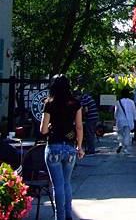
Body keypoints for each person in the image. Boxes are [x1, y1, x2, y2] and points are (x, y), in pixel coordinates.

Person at [40, 74, 85, 220]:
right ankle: (68, 215)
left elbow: (43, 130)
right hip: (70, 148)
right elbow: (79, 127)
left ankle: (59, 217)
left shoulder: (49, 103)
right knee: (66, 183)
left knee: (57, 185)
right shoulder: (75, 103)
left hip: (53, 146)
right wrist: (80, 146)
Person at [114, 88, 136, 155]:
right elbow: (134, 112)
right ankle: (125, 149)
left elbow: (115, 112)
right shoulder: (131, 102)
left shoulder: (118, 102)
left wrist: (115, 118)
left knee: (120, 134)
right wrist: (134, 119)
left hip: (120, 121)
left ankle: (120, 144)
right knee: (127, 135)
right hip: (128, 121)